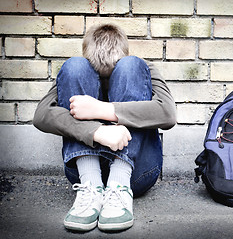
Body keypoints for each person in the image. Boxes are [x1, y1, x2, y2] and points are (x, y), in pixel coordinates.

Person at [33, 24, 176, 232]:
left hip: (137, 172)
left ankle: (119, 185)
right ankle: (91, 188)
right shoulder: (83, 69)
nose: (106, 80)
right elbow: (41, 115)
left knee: (132, 66)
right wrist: (96, 132)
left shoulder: (140, 68)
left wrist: (102, 109)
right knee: (74, 67)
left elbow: (168, 114)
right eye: (101, 76)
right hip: (85, 174)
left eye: (111, 74)